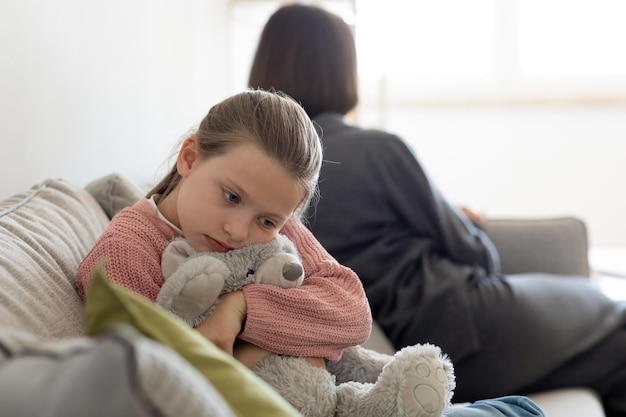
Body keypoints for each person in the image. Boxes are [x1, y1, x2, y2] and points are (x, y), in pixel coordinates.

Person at [248, 3, 626, 417]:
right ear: (340, 69)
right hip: (462, 319)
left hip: (415, 356)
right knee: (613, 315)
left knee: (610, 358)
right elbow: (479, 253)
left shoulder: (251, 176)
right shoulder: (377, 149)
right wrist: (456, 218)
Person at [76, 89, 457, 417]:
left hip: (325, 399)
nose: (239, 231)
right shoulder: (126, 251)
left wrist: (239, 310)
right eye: (230, 197)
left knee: (511, 407)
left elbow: (353, 312)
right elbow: (154, 387)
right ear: (189, 158)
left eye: (268, 221)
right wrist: (267, 347)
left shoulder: (271, 222)